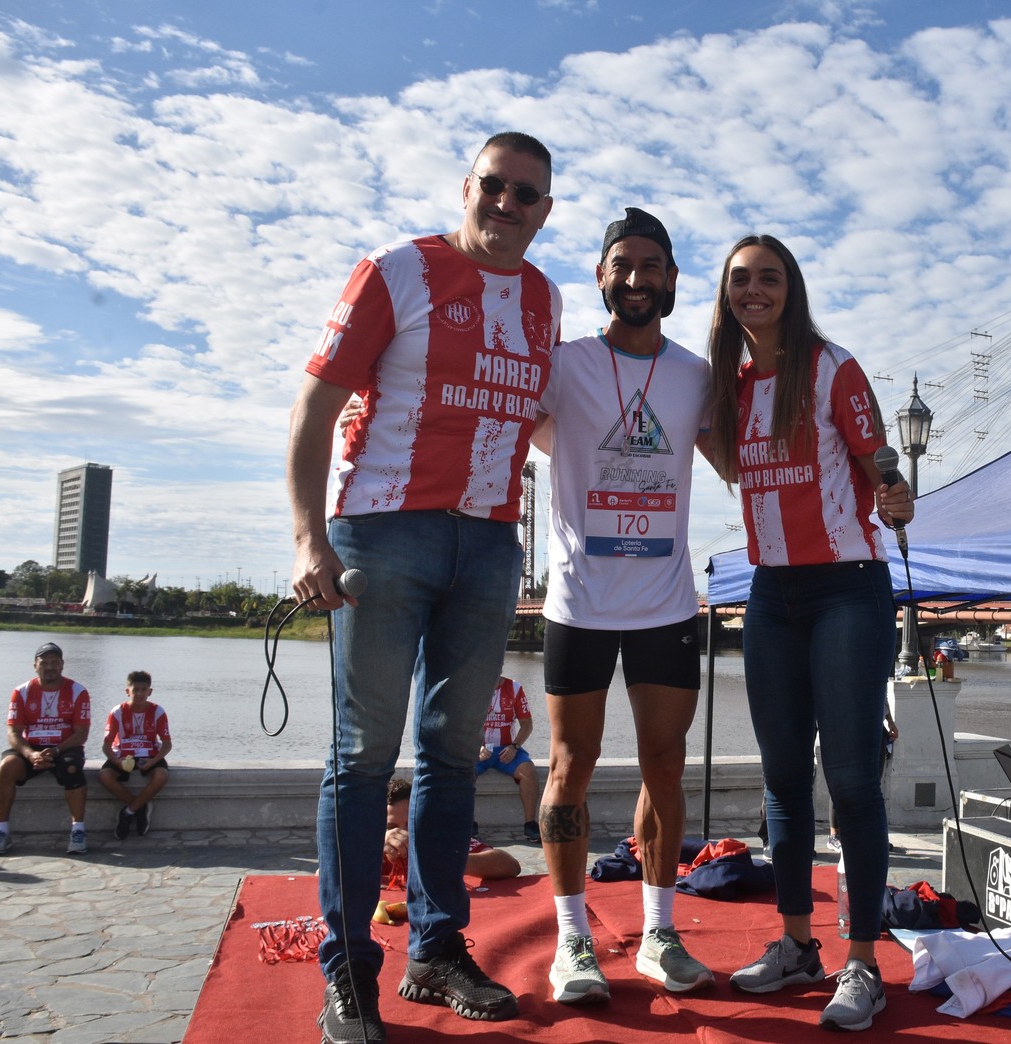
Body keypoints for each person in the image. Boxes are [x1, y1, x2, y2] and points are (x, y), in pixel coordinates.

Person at [287, 130, 560, 1044]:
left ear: (545, 209)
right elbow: (317, 403)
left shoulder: (544, 298)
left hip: (487, 546)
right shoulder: (395, 270)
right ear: (468, 186)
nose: (507, 205)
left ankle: (436, 954)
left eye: (526, 194)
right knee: (362, 756)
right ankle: (347, 973)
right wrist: (306, 538)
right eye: (494, 186)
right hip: (383, 533)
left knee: (451, 757)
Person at [704, 234, 912, 1032]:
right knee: (783, 779)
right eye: (740, 280)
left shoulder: (832, 367)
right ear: (726, 295)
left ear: (790, 288)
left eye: (768, 277)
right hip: (770, 592)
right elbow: (712, 453)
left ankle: (862, 961)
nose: (753, 290)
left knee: (852, 779)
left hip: (845, 589)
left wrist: (897, 497)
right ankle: (796, 944)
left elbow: (881, 471)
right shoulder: (727, 385)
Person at [534, 207, 716, 1005]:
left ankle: (657, 932)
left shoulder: (696, 377)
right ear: (601, 277)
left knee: (665, 765)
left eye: (652, 267)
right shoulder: (560, 364)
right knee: (570, 765)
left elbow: (752, 462)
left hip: (666, 603)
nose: (637, 279)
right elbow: (500, 427)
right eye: (622, 265)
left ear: (672, 281)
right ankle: (572, 940)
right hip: (578, 601)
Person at [0, 642, 92, 856]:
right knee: (7, 766)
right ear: (35, 665)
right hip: (32, 747)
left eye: (55, 662)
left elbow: (81, 733)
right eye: (44, 663)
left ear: (62, 665)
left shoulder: (78, 691)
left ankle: (78, 831)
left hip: (63, 748)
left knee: (72, 767)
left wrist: (55, 751)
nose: (50, 667)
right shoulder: (21, 692)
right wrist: (30, 754)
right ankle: (1, 832)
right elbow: (13, 732)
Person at [384, 778, 520, 886]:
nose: (403, 833)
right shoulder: (371, 844)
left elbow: (510, 866)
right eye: (391, 827)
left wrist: (449, 861)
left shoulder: (440, 838)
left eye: (411, 823)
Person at [98, 670, 172, 840]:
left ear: (150, 692)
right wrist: (118, 763)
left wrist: (153, 761)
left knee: (161, 775)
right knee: (104, 776)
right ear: (127, 691)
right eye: (135, 689)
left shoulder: (158, 711)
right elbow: (107, 746)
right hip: (123, 755)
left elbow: (167, 744)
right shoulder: (117, 712)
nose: (139, 694)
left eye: (143, 690)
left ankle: (128, 811)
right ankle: (140, 808)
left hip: (149, 754)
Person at [476, 676, 540, 841]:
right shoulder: (472, 685)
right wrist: (476, 746)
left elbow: (527, 724)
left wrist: (515, 746)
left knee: (529, 771)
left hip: (507, 749)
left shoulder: (514, 688)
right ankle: (468, 824)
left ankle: (530, 825)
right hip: (478, 749)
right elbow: (462, 724)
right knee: (462, 772)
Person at [827, 707, 898, 853]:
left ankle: (871, 835)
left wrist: (889, 720)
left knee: (873, 785)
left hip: (875, 726)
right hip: (848, 724)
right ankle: (834, 835)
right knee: (842, 780)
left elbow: (882, 694)